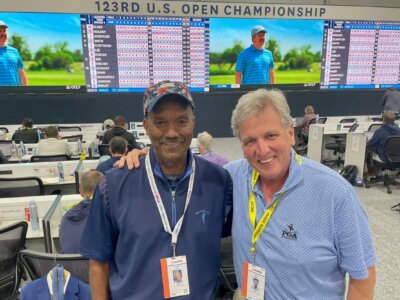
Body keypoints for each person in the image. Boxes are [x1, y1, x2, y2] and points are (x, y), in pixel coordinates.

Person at [121, 89, 376, 299]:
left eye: (271, 135)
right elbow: (184, 169)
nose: (262, 150)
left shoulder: (334, 193)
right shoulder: (233, 177)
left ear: (290, 133)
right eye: (250, 141)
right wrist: (148, 157)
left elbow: (362, 278)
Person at [80, 80, 232, 299]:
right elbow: (97, 263)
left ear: (193, 122)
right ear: (145, 125)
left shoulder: (219, 181)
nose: (171, 133)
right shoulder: (112, 186)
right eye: (160, 122)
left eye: (181, 121)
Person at [59, 170, 103, 254]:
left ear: (80, 191)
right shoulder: (105, 215)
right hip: (96, 265)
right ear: (104, 190)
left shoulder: (66, 217)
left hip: (70, 266)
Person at [0, 21, 28, 86]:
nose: (3, 33)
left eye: (4, 31)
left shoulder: (14, 51)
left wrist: (26, 93)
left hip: (13, 94)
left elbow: (22, 75)